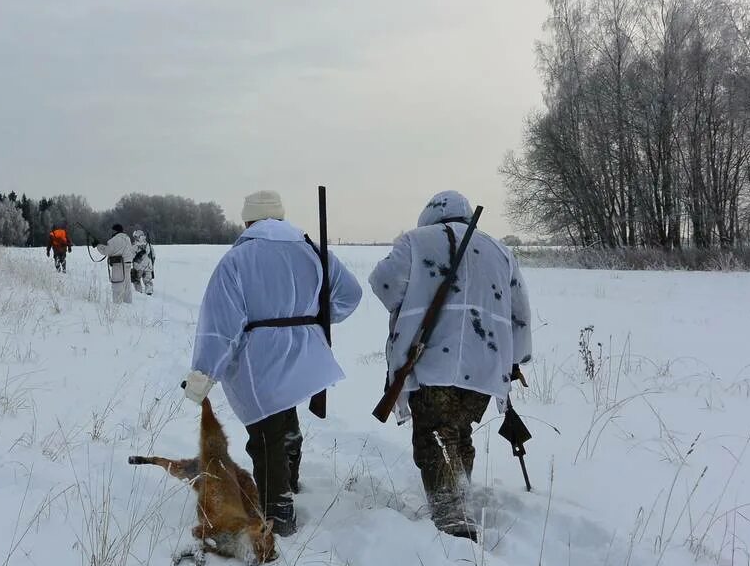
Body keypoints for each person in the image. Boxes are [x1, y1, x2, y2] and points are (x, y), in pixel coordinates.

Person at [181, 190, 362, 536]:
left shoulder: (237, 259)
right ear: (280, 217)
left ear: (248, 221)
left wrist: (204, 372)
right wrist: (314, 320)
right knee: (284, 415)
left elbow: (220, 324)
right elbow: (349, 295)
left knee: (265, 436)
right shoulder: (311, 250)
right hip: (306, 353)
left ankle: (278, 515)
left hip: (259, 357)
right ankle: (289, 477)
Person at [368, 190, 532, 541]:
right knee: (458, 430)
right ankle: (460, 495)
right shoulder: (501, 251)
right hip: (486, 366)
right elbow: (520, 312)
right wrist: (514, 360)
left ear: (429, 216)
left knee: (433, 435)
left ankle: (452, 517)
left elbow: (383, 285)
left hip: (431, 361)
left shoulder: (415, 242)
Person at [92, 224, 134, 304]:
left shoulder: (114, 240)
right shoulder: (127, 238)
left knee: (117, 286)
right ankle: (128, 305)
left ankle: (117, 306)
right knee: (127, 287)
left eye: (112, 230)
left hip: (119, 266)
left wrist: (98, 245)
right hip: (128, 265)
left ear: (115, 231)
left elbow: (106, 251)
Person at [130, 229, 156, 295]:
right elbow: (153, 256)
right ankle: (149, 294)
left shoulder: (135, 246)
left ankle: (139, 294)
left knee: (136, 281)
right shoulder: (148, 245)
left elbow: (131, 256)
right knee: (148, 282)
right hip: (148, 267)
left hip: (138, 268)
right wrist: (151, 265)